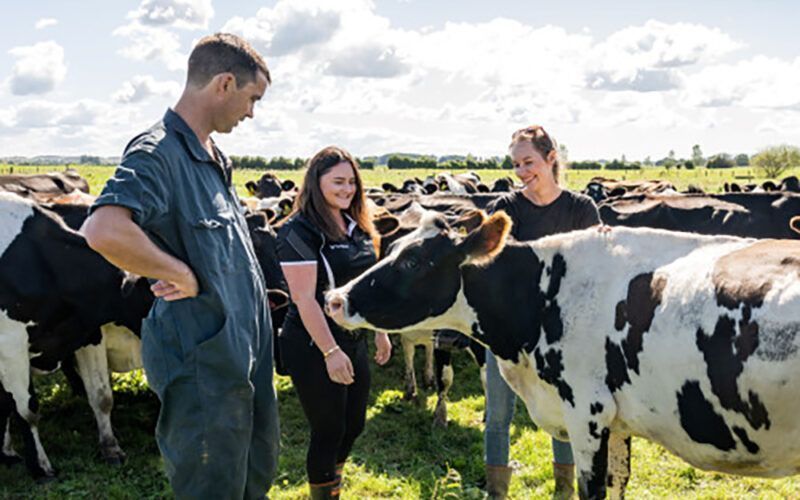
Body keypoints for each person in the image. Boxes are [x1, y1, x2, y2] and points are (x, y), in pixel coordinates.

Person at [82, 33, 279, 499]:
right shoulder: (158, 152)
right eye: (252, 99)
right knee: (211, 484)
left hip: (242, 352)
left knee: (253, 474)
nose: (252, 112)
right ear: (224, 84)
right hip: (202, 362)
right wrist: (178, 272)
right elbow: (103, 229)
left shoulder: (214, 156)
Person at [483, 125, 601, 499]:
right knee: (498, 414)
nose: (521, 172)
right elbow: (489, 269)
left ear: (552, 158)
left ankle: (565, 491)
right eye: (516, 164)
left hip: (561, 333)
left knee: (566, 412)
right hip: (506, 328)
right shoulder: (504, 209)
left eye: (529, 162)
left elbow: (594, 271)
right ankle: (496, 491)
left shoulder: (581, 208)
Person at [276, 146, 392, 500]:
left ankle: (332, 486)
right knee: (328, 428)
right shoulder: (298, 231)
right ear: (316, 182)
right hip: (313, 344)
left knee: (354, 425)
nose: (347, 189)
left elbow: (368, 287)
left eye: (352, 182)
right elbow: (304, 298)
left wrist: (380, 332)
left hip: (352, 339)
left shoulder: (358, 226)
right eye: (337, 181)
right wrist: (330, 351)